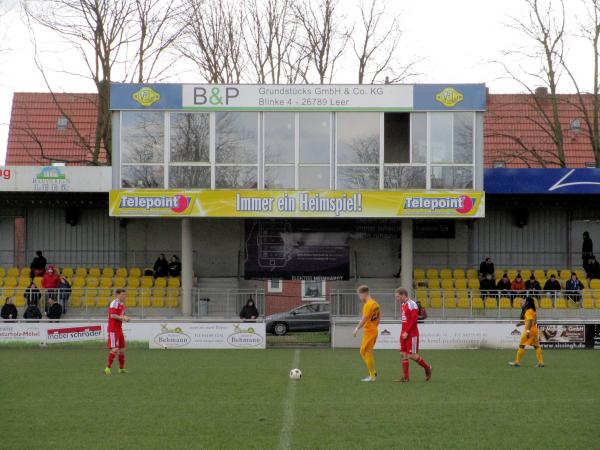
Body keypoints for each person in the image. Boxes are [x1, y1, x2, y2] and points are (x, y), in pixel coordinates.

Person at [394, 287, 432, 383]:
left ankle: (427, 367)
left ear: (403, 295)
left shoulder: (412, 304)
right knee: (403, 354)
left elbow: (414, 319)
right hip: (404, 333)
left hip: (412, 333)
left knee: (411, 355)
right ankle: (406, 378)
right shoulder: (403, 304)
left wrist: (407, 331)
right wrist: (403, 332)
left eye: (398, 296)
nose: (397, 299)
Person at [352, 285, 380, 382]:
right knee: (363, 351)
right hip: (373, 330)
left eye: (359, 295)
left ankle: (372, 376)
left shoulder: (368, 304)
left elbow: (364, 319)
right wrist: (374, 326)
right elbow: (379, 317)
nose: (359, 297)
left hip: (370, 331)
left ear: (364, 294)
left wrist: (357, 328)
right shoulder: (375, 304)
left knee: (366, 352)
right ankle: (373, 372)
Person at [509, 297, 544, 368]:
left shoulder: (528, 311)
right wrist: (522, 323)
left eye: (524, 301)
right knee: (536, 346)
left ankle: (517, 362)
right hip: (534, 330)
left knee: (521, 345)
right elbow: (532, 321)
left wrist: (528, 331)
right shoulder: (533, 310)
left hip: (529, 331)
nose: (523, 302)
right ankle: (541, 362)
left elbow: (530, 321)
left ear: (527, 303)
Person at [105, 288, 130, 376]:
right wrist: (123, 318)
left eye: (125, 294)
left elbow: (120, 314)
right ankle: (107, 368)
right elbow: (113, 315)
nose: (124, 296)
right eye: (123, 294)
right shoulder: (114, 303)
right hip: (113, 329)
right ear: (117, 295)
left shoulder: (121, 304)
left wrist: (125, 317)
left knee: (122, 349)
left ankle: (121, 368)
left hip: (119, 329)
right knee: (115, 349)